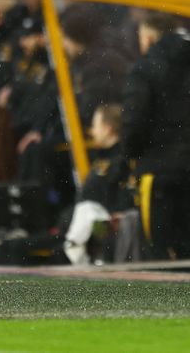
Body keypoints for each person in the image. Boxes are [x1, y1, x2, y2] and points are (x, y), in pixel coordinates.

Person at [122, 11, 190, 260]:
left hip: (154, 170)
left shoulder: (143, 70)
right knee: (186, 241)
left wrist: (131, 154)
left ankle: (161, 297)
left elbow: (134, 121)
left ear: (150, 37)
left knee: (155, 244)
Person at [64, 103, 133, 266]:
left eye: (95, 126)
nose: (92, 131)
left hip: (100, 231)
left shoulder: (121, 162)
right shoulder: (101, 161)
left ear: (108, 129)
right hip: (78, 229)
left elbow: (114, 206)